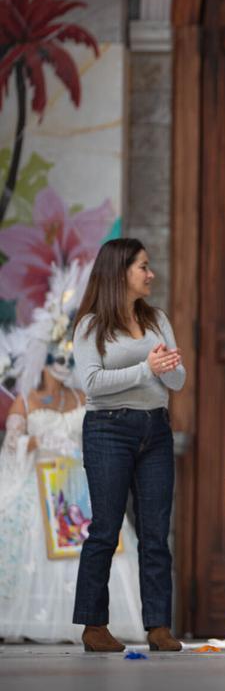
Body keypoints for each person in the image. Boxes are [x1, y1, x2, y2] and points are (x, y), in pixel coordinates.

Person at [0, 261, 142, 643]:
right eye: (56, 359)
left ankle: (98, 620)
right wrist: (43, 444)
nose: (62, 366)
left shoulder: (85, 397)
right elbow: (13, 443)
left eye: (68, 359)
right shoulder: (27, 402)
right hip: (40, 486)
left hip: (81, 483)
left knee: (99, 540)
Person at [71, 239, 185, 652]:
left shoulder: (156, 319)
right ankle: (93, 625)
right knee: (105, 528)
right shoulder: (89, 325)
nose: (150, 273)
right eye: (143, 266)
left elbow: (178, 379)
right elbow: (92, 384)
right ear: (120, 272)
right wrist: (146, 368)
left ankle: (158, 626)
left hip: (155, 429)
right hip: (108, 430)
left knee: (157, 532)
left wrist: (166, 370)